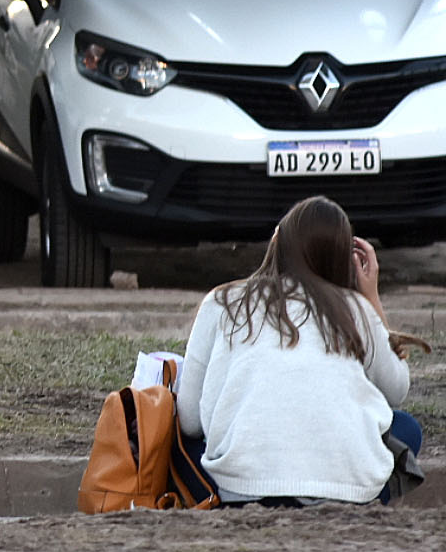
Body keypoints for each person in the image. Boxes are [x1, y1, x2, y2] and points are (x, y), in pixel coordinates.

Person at [177, 195, 423, 507]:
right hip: (347, 495)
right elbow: (396, 389)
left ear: (278, 241)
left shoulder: (222, 301)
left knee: (173, 440)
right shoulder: (355, 308)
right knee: (406, 429)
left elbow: (188, 421)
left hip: (241, 492)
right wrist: (371, 298)